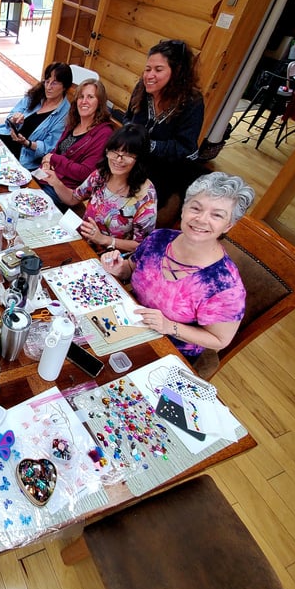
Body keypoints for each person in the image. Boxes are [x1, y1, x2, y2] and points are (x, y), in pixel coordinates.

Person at [101, 172, 255, 365]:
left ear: (228, 226)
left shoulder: (224, 284)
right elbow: (131, 269)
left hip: (166, 349)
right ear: (183, 209)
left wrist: (170, 326)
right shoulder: (159, 238)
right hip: (124, 320)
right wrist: (118, 268)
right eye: (196, 208)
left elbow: (219, 341)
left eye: (216, 215)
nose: (201, 219)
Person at [44, 124, 157, 253]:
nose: (118, 160)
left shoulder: (146, 196)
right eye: (114, 151)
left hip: (110, 260)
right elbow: (72, 198)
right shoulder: (101, 175)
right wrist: (56, 182)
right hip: (81, 242)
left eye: (127, 155)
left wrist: (104, 240)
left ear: (139, 159)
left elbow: (142, 246)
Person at [123, 39, 205, 208]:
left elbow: (185, 148)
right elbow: (128, 118)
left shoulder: (192, 102)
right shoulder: (142, 88)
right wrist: (128, 135)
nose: (149, 76)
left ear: (177, 72)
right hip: (135, 160)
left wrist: (149, 145)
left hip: (168, 170)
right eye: (147, 69)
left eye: (158, 70)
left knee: (137, 208)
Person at [38, 78, 115, 208]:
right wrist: (47, 161)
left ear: (99, 103)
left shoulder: (103, 133)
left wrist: (54, 159)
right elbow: (57, 151)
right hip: (47, 178)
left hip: (64, 191)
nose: (84, 101)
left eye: (90, 97)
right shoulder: (74, 122)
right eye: (81, 97)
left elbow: (86, 173)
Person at [0, 62, 72, 170]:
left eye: (54, 83)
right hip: (6, 136)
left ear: (65, 86)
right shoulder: (37, 94)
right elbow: (12, 115)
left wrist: (26, 143)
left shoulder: (64, 113)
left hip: (23, 155)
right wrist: (14, 119)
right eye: (47, 81)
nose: (48, 87)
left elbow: (49, 147)